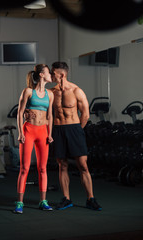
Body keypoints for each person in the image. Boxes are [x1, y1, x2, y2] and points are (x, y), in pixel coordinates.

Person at [50, 61, 102, 211]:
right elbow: (44, 111)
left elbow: (85, 114)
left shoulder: (76, 91)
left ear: (62, 74)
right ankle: (66, 199)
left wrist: (78, 130)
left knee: (83, 166)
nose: (52, 75)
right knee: (62, 165)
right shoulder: (51, 92)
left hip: (74, 129)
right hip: (58, 129)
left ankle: (90, 199)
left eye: (53, 73)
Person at [14, 64, 54, 214]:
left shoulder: (50, 94)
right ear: (42, 75)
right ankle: (19, 203)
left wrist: (50, 134)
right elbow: (19, 112)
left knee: (42, 168)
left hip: (43, 132)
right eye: (48, 72)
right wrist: (20, 132)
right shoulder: (28, 91)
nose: (51, 75)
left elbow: (50, 116)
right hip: (29, 130)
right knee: (24, 168)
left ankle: (43, 201)